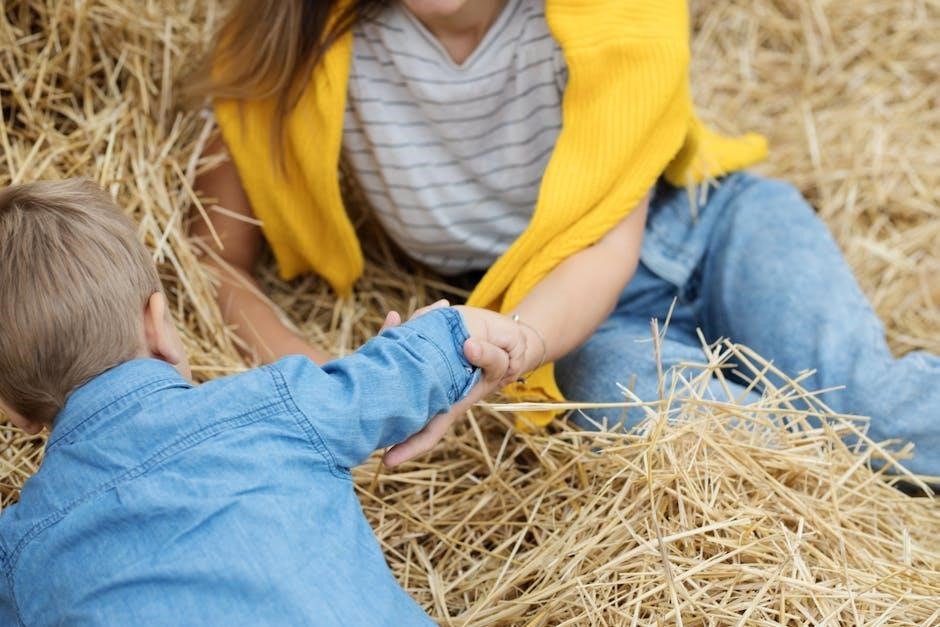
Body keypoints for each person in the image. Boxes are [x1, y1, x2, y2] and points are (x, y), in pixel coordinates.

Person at [191, 0, 939, 475]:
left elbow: (605, 240)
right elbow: (215, 259)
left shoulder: (606, 17)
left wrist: (516, 340)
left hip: (712, 225)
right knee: (700, 430)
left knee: (869, 405)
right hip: (569, 320)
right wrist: (323, 376)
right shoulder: (292, 44)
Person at [0, 179, 529, 625]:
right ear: (158, 324)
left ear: (13, 412)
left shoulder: (20, 550)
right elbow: (401, 373)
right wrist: (453, 332)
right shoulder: (272, 406)